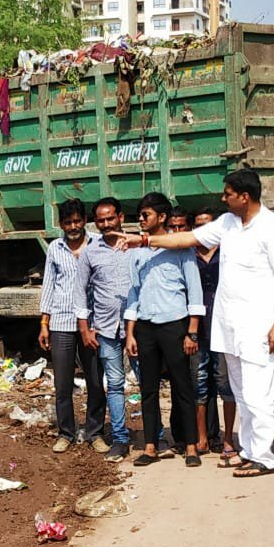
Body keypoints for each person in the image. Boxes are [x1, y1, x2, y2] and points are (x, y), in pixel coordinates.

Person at [137, 169, 274, 478]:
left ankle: (264, 457)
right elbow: (187, 238)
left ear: (244, 196)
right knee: (240, 392)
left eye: (228, 194)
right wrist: (142, 240)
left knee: (259, 393)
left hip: (259, 327)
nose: (223, 198)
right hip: (230, 327)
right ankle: (248, 451)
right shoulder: (228, 224)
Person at [122, 193, 205, 468]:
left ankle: (191, 445)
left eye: (146, 215)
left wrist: (192, 332)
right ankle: (150, 446)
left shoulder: (181, 248)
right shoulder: (136, 251)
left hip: (175, 324)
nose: (142, 220)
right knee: (148, 389)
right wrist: (130, 332)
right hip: (146, 326)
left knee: (183, 386)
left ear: (162, 217)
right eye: (140, 215)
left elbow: (194, 291)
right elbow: (133, 293)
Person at [38, 198, 107, 454]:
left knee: (95, 381)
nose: (73, 226)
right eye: (68, 222)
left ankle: (95, 432)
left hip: (92, 324)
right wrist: (44, 323)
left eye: (77, 221)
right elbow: (48, 286)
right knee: (63, 384)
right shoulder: (55, 248)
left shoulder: (98, 244)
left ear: (85, 221)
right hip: (61, 322)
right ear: (61, 224)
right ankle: (66, 433)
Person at [76, 198, 137, 462]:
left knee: (146, 381)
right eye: (100, 220)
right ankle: (121, 439)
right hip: (105, 327)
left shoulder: (135, 246)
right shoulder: (90, 252)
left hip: (138, 326)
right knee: (114, 384)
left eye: (110, 218)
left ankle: (156, 436)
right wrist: (85, 329)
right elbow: (79, 292)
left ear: (120, 217)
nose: (106, 224)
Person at [191, 208, 236, 460]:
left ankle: (228, 437)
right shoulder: (189, 254)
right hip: (198, 327)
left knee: (224, 383)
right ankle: (203, 438)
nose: (203, 228)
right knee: (199, 382)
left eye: (208, 224)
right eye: (198, 224)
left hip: (223, 326)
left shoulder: (227, 252)